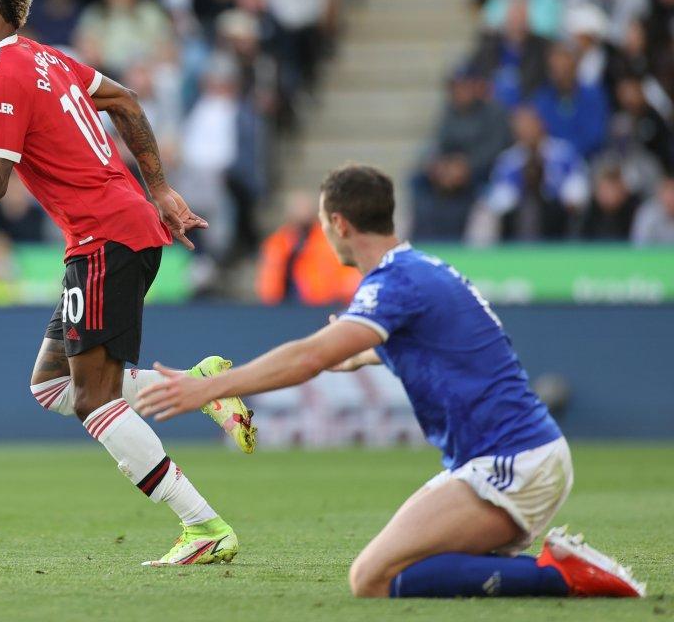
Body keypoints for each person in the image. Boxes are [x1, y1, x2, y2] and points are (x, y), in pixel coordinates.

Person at [0, 0, 255, 566]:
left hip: (104, 236)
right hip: (116, 229)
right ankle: (201, 388)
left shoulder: (3, 73)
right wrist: (159, 189)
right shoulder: (48, 58)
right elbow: (126, 101)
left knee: (92, 399)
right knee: (52, 385)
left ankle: (203, 525)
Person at [137, 164, 647, 599]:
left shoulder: (397, 281)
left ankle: (559, 574)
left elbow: (309, 356)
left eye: (324, 222)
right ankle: (540, 567)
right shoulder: (419, 268)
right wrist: (365, 356)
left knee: (372, 578)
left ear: (339, 223)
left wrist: (210, 388)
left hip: (513, 461)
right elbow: (450, 343)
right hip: (506, 456)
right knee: (397, 571)